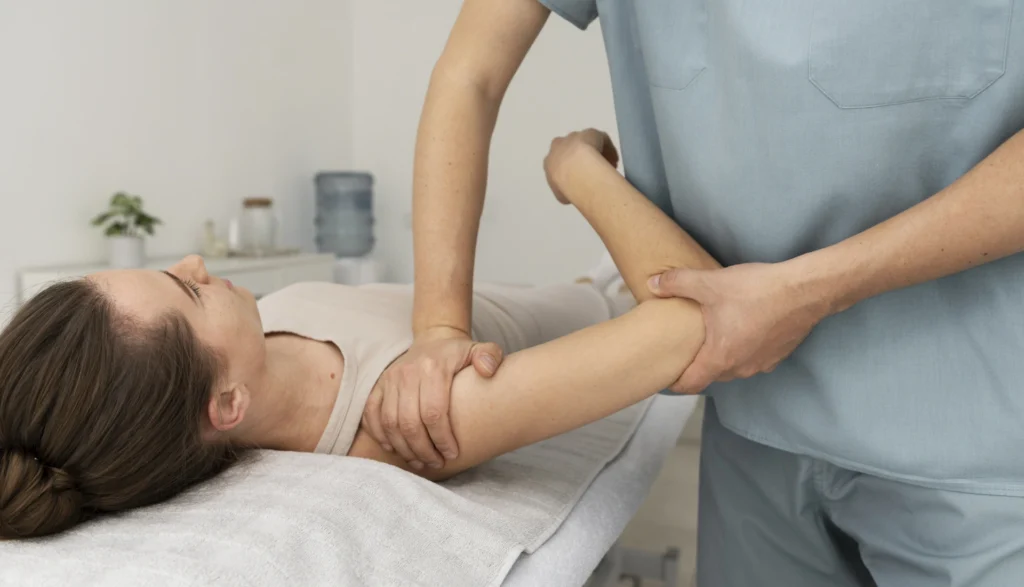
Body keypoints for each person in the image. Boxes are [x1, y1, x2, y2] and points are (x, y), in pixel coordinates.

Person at [374, 1, 1024, 585]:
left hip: (981, 441)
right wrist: (437, 327)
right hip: (754, 425)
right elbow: (470, 73)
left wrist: (580, 173)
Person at [0, 130, 713, 540]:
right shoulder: (413, 421)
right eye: (187, 290)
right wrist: (576, 170)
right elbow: (697, 313)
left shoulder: (260, 339)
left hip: (554, 289)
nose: (195, 262)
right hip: (614, 298)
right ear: (227, 405)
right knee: (611, 283)